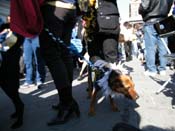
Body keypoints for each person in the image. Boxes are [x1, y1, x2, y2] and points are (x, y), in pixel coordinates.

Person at [39, 0, 80, 126]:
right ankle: (66, 99)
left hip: (54, 7)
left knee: (53, 55)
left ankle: (67, 103)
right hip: (71, 9)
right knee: (64, 54)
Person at [0, 16, 24, 129]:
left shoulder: (17, 34)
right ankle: (18, 111)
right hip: (6, 64)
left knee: (13, 92)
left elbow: (5, 46)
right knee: (9, 90)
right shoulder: (14, 32)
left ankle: (20, 116)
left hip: (11, 66)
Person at [138, 0, 173, 77]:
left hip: (150, 21)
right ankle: (162, 69)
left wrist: (140, 9)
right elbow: (170, 3)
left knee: (150, 48)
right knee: (163, 47)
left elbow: (144, 6)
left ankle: (152, 70)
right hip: (164, 20)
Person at [83, 0, 120, 65]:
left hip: (96, 19)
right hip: (106, 18)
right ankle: (111, 72)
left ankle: (104, 72)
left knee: (96, 55)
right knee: (109, 55)